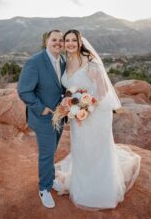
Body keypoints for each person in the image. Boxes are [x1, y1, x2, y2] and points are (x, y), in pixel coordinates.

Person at [55, 29, 141, 209]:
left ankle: (101, 190)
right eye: (67, 40)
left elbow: (102, 93)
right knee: (81, 148)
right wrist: (71, 104)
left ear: (80, 42)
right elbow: (70, 89)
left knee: (96, 149)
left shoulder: (91, 63)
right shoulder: (65, 62)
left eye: (73, 40)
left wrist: (84, 108)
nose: (70, 43)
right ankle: (81, 186)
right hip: (77, 114)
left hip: (96, 113)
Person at [18, 30, 66, 208]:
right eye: (54, 40)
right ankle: (44, 188)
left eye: (61, 40)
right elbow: (24, 91)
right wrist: (41, 109)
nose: (58, 43)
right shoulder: (34, 62)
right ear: (47, 41)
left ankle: (51, 179)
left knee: (52, 151)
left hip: (60, 116)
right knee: (47, 153)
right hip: (43, 117)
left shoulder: (62, 61)